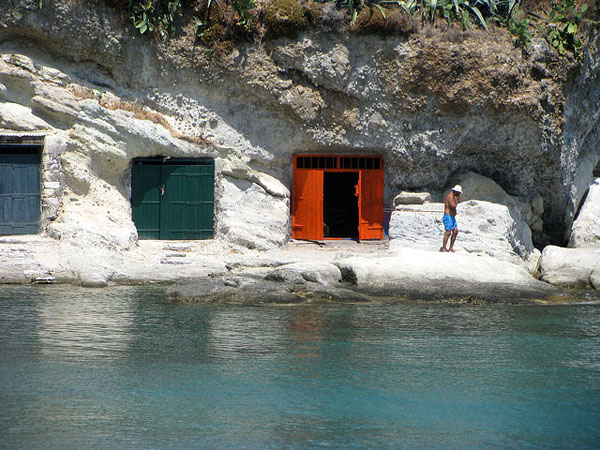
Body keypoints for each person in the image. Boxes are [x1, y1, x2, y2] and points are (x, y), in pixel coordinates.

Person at [440, 185, 462, 252]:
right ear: (455, 191)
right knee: (448, 232)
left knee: (455, 231)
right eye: (458, 192)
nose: (459, 194)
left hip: (452, 217)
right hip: (448, 216)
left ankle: (451, 248)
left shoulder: (453, 196)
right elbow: (453, 206)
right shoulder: (450, 196)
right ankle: (444, 248)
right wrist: (457, 200)